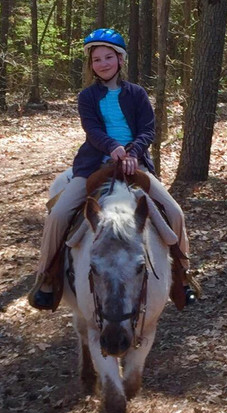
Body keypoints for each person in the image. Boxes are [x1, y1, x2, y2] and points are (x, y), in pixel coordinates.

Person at [29, 28, 195, 310]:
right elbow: (92, 129)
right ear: (91, 65)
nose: (103, 63)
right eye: (96, 59)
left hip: (135, 164)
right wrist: (113, 148)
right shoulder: (87, 97)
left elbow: (147, 130)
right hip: (95, 165)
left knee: (175, 213)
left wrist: (132, 153)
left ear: (120, 59)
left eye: (108, 57)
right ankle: (46, 277)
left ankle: (183, 276)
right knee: (57, 215)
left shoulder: (137, 94)